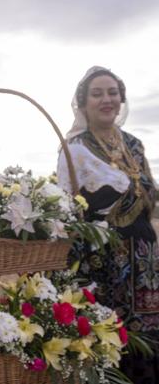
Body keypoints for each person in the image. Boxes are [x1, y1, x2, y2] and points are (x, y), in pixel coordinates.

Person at [58, 66, 159, 383]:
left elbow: (149, 195)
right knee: (108, 339)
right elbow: (67, 209)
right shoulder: (74, 149)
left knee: (148, 337)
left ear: (121, 98)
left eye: (113, 92)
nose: (107, 99)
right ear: (83, 102)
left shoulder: (134, 144)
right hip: (101, 258)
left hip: (144, 255)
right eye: (97, 93)